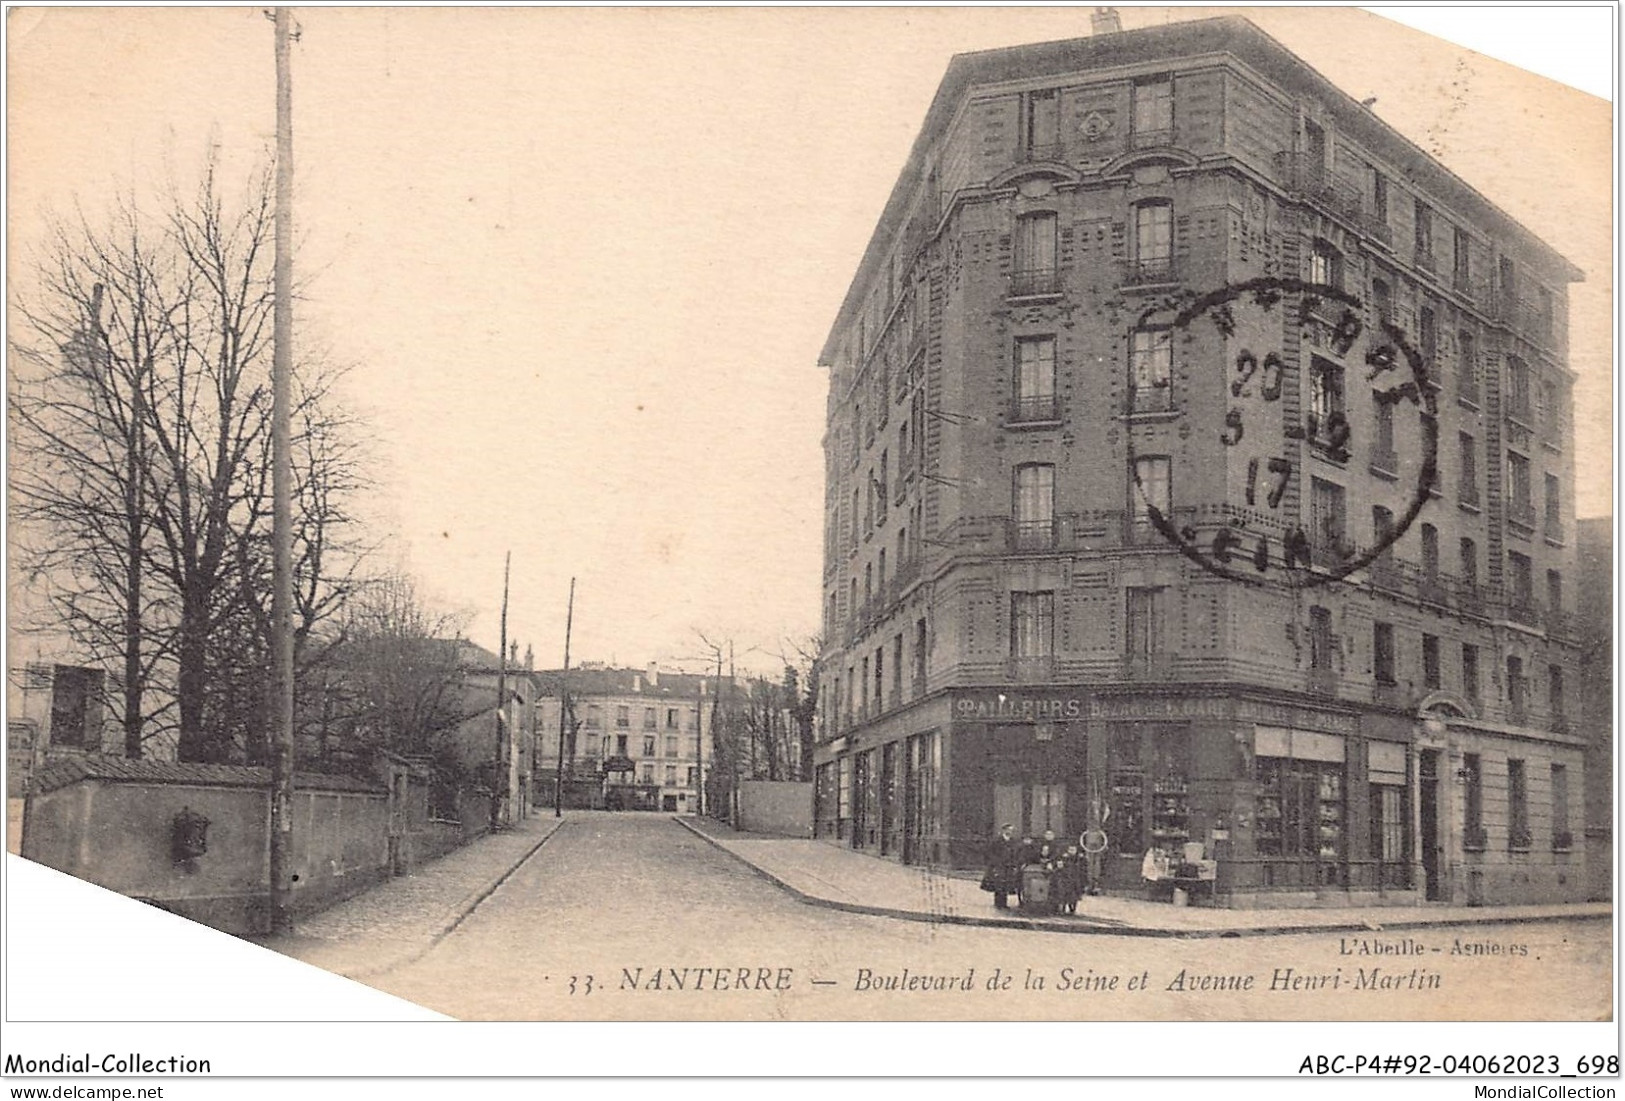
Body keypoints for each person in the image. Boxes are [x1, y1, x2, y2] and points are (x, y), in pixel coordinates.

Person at [980, 823, 1023, 910]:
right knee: (998, 884)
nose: (1010, 832)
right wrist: (995, 862)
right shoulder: (996, 841)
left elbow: (1016, 853)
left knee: (1006, 884)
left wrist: (1014, 863)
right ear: (1004, 830)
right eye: (1008, 830)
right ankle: (998, 903)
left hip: (1009, 866)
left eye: (1011, 830)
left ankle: (1004, 903)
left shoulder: (1013, 841)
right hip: (999, 866)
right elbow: (989, 852)